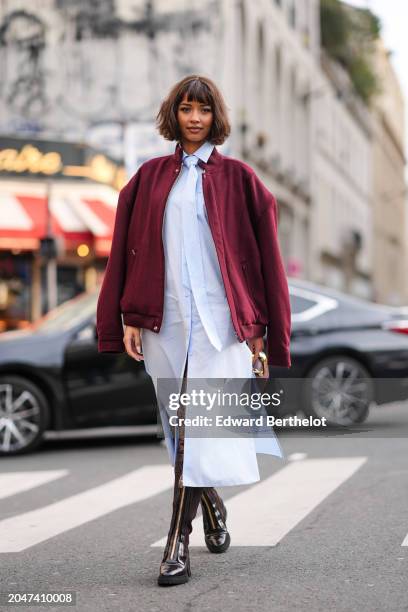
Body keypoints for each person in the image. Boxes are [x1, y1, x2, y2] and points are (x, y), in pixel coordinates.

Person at [96, 74, 292, 586]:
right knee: (185, 431)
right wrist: (128, 316)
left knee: (195, 429)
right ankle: (214, 508)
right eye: (186, 108)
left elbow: (264, 261)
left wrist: (262, 331)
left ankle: (175, 547)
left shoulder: (241, 180)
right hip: (166, 323)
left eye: (204, 109)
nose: (195, 118)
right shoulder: (148, 178)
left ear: (215, 116)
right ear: (174, 114)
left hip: (220, 327)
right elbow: (125, 254)